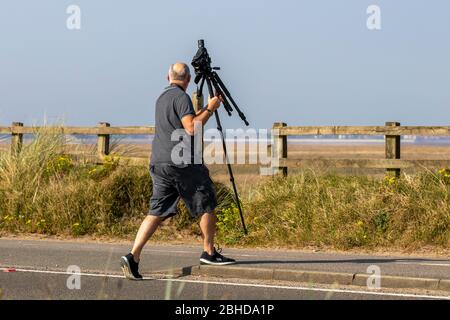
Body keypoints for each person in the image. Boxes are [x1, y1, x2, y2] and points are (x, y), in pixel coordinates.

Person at [120, 62, 236, 280]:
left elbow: (181, 124)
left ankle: (133, 256)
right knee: (206, 199)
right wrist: (211, 108)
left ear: (168, 77)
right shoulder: (181, 98)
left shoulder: (161, 98)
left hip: (159, 162)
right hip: (181, 161)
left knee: (156, 211)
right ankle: (209, 252)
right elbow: (191, 127)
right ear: (188, 80)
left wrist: (202, 110)